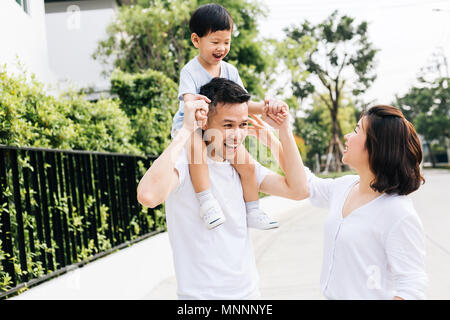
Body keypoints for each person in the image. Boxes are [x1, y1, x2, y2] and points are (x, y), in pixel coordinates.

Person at [137, 78, 308, 299]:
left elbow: (299, 189)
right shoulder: (186, 162)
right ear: (205, 122)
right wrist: (185, 131)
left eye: (243, 125)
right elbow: (148, 196)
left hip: (249, 295)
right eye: (228, 125)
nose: (237, 135)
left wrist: (281, 131)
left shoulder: (240, 165)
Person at [279, 105, 427, 299]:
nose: (347, 136)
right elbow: (304, 183)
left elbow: (412, 286)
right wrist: (278, 132)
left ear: (376, 146)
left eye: (357, 130)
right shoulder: (345, 186)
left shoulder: (398, 212)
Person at [172, 3, 286, 230]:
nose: (221, 48)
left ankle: (253, 210)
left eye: (227, 42)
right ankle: (207, 204)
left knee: (248, 165)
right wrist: (199, 114)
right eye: (215, 42)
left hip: (220, 129)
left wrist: (264, 108)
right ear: (196, 40)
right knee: (197, 155)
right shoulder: (190, 70)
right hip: (193, 125)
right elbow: (188, 101)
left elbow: (241, 104)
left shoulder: (230, 71)